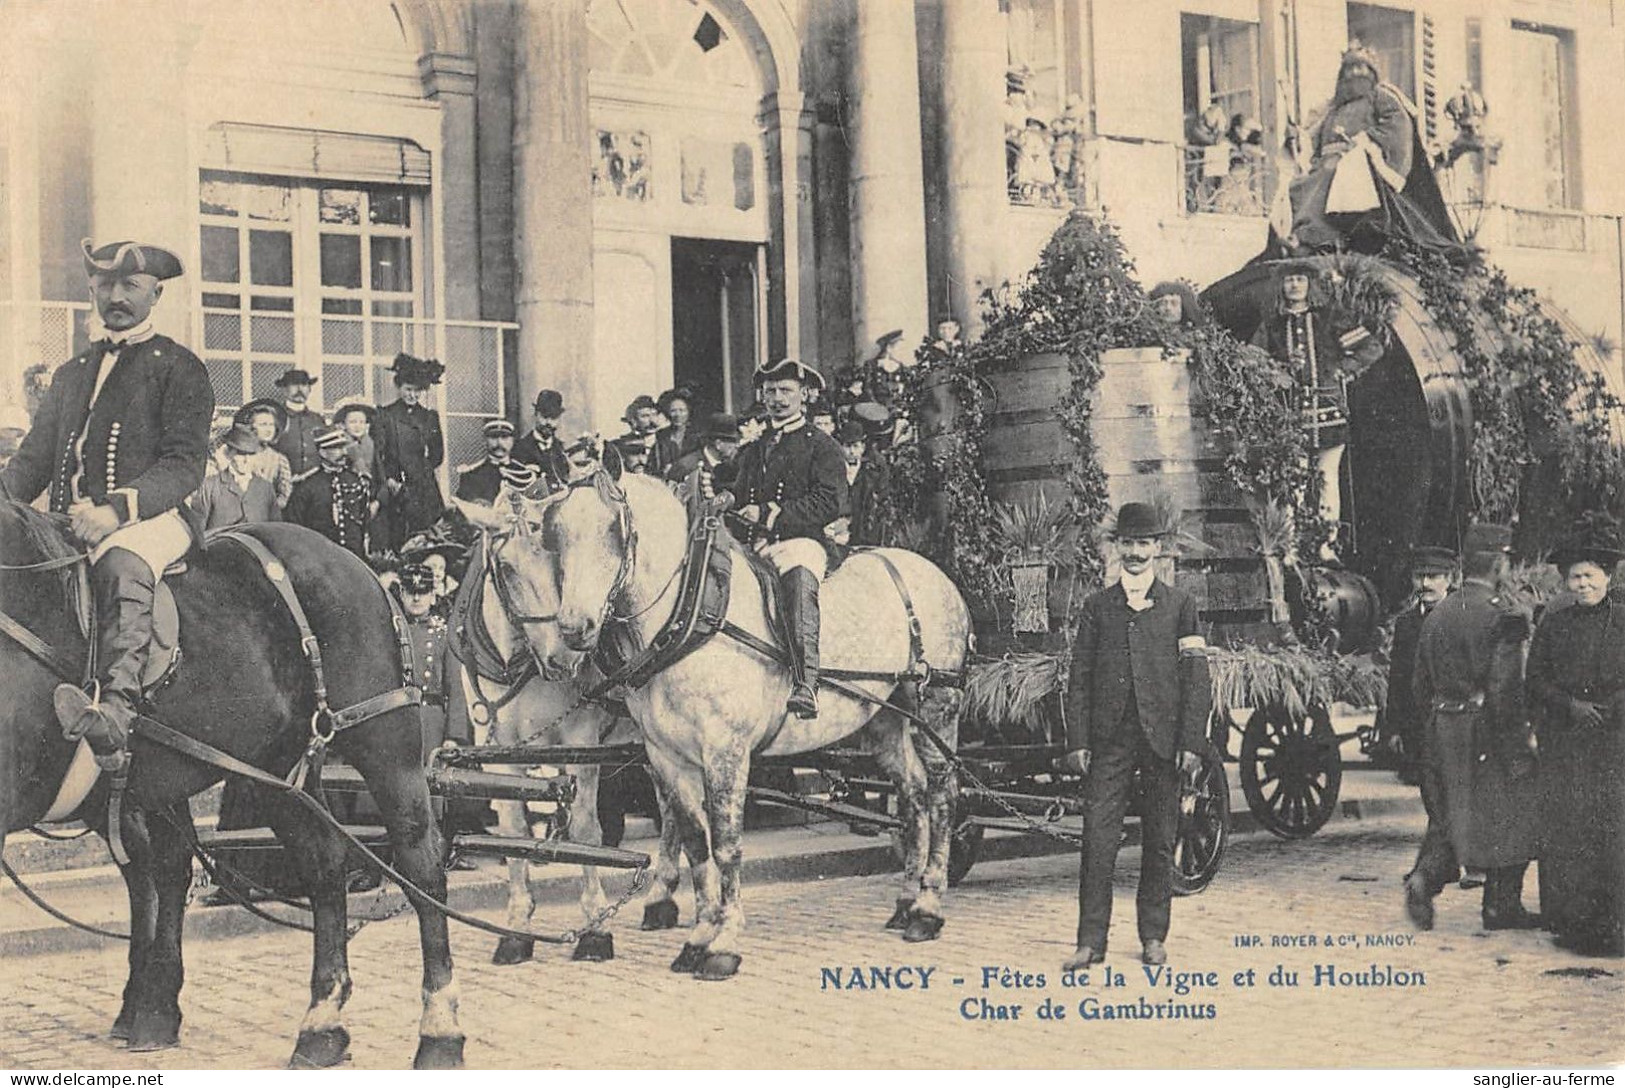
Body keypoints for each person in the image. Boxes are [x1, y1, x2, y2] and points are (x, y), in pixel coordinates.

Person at [0, 239, 212, 769]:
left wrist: (116, 510)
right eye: (106, 285)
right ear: (92, 288)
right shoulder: (73, 371)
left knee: (121, 565)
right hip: (70, 518)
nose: (117, 296)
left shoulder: (179, 367)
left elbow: (185, 464)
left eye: (131, 286)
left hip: (150, 518)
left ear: (155, 293)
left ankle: (116, 708)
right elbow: (31, 461)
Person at [1060, 502, 1210, 970]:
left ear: (1159, 549)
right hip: (1110, 742)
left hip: (1163, 742)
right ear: (1117, 548)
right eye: (1128, 543)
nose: (1136, 552)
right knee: (1097, 840)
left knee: (1161, 840)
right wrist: (1078, 741)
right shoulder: (1097, 607)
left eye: (1144, 543)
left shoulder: (1180, 606)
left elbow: (1196, 679)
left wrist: (1190, 743)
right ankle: (1090, 942)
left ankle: (1153, 936)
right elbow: (1079, 677)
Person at [1403, 523, 1540, 932]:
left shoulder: (1436, 616)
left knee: (1451, 813)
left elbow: (1418, 685)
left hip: (1442, 728)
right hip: (1485, 732)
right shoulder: (1504, 619)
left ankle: (1424, 879)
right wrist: (1519, 748)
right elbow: (1505, 693)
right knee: (1512, 810)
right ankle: (1501, 906)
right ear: (1499, 563)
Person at [723, 358, 847, 719]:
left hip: (801, 540)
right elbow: (742, 489)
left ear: (803, 396)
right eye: (771, 391)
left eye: (786, 391)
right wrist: (728, 498)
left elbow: (830, 500)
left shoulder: (821, 445)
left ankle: (805, 682)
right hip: (758, 544)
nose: (777, 398)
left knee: (797, 585)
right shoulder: (757, 446)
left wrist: (771, 513)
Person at [1527, 523, 1625, 957]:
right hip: (1567, 745)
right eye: (1575, 578)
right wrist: (1571, 708)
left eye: (1590, 576)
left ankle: (1614, 921)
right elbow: (1535, 681)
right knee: (1569, 830)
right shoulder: (1554, 624)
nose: (1583, 585)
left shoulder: (1622, 621)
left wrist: (1613, 708)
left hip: (1614, 742)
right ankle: (1572, 922)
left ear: (1609, 577)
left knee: (1611, 829)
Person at [1251, 260, 1383, 561]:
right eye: (1289, 281)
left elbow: (1371, 347)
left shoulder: (1330, 318)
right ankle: (1291, 546)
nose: (1294, 285)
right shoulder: (1272, 324)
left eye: (1300, 279)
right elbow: (1251, 357)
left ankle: (1326, 544)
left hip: (1328, 410)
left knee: (1326, 477)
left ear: (1310, 284)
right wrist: (1275, 374)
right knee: (1292, 480)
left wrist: (1342, 369)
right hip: (1290, 414)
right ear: (1281, 286)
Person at [1278, 44, 1463, 258]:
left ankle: (1321, 237)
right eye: (1350, 69)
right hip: (1326, 163)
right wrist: (1297, 137)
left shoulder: (1381, 97)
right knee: (1299, 185)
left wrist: (1365, 141)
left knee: (1330, 175)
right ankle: (1301, 235)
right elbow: (1312, 137)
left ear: (1372, 71)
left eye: (1361, 68)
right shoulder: (1333, 107)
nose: (1355, 73)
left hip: (1360, 162)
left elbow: (1396, 126)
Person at [1384, 545, 1460, 791]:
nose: (1425, 583)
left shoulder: (1463, 617)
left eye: (1433, 576)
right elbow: (1398, 677)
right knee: (1429, 793)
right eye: (1419, 576)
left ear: (1450, 578)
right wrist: (1394, 728)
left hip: (1456, 725)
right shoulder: (1406, 623)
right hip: (1418, 726)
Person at [373, 353, 446, 553]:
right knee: (396, 537)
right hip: (395, 486)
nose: (412, 395)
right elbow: (377, 454)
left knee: (423, 540)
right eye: (408, 390)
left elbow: (437, 454)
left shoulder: (429, 417)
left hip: (423, 489)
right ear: (399, 388)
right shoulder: (385, 415)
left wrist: (422, 473)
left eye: (416, 391)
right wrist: (388, 479)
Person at [285, 425, 373, 560]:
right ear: (323, 452)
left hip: (354, 560)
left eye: (344, 447)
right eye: (337, 448)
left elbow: (363, 520)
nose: (344, 453)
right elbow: (294, 528)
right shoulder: (307, 487)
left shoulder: (357, 481)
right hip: (320, 560)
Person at [193, 424, 279, 530]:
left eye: (251, 454)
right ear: (229, 453)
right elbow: (198, 531)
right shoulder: (210, 486)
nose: (246, 460)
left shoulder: (266, 488)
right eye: (241, 454)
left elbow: (275, 529)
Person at [668, 411, 741, 521]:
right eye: (733, 442)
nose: (737, 446)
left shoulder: (732, 467)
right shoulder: (686, 466)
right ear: (718, 444)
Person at [832, 419, 889, 547]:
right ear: (840, 447)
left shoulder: (872, 472)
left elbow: (882, 499)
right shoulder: (833, 471)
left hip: (865, 533)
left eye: (855, 446)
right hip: (839, 532)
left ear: (863, 448)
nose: (851, 451)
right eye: (847, 446)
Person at [511, 388, 570, 492]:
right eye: (544, 416)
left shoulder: (560, 448)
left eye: (554, 417)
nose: (548, 422)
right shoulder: (520, 448)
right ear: (536, 414)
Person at [271, 368, 323, 479]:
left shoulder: (317, 419)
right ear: (284, 390)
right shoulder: (275, 418)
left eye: (304, 385)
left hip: (314, 483)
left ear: (309, 389)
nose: (300, 389)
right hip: (284, 482)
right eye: (294, 385)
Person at [454, 418, 519, 505]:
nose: (499, 443)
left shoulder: (524, 473)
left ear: (512, 440)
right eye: (493, 437)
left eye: (504, 437)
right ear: (485, 440)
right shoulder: (471, 475)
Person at [652, 386, 697, 478]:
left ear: (689, 412)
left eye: (682, 410)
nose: (678, 415)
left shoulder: (697, 436)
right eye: (673, 411)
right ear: (667, 413)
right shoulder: (661, 436)